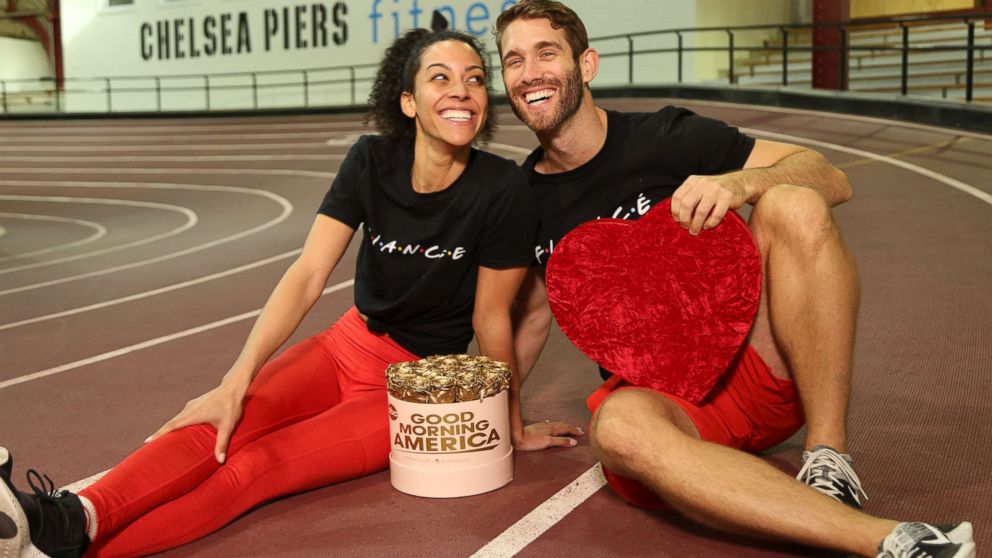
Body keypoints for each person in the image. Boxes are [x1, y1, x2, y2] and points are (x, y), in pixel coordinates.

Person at [0, 23, 582, 558]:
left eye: (475, 80)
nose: (462, 90)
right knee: (221, 424)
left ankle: (66, 551)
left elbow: (490, 319)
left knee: (259, 465)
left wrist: (508, 421)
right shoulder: (371, 161)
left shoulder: (501, 188)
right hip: (345, 346)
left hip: (412, 386)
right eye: (441, 78)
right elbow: (307, 272)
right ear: (408, 102)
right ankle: (68, 516)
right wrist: (236, 380)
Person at [494, 2, 975, 557]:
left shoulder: (667, 135)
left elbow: (831, 177)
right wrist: (502, 423)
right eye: (513, 61)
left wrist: (743, 183)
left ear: (588, 65)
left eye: (546, 52)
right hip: (671, 402)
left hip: (759, 360)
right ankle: (895, 543)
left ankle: (828, 457)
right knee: (615, 427)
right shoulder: (519, 200)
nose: (529, 72)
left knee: (792, 201)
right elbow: (527, 317)